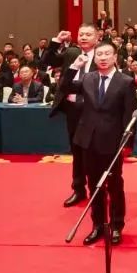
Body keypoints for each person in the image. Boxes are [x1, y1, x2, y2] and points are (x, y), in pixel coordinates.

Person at [59, 41, 137, 246]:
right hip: (88, 141)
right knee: (94, 185)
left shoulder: (126, 82)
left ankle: (116, 225)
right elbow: (65, 87)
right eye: (99, 54)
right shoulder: (88, 78)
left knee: (114, 185)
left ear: (115, 57)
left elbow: (130, 115)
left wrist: (128, 143)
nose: (102, 57)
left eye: (107, 54)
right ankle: (98, 225)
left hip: (112, 142)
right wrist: (73, 67)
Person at [42, 25, 100, 208]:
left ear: (97, 38)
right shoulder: (71, 53)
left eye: (88, 34)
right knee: (76, 150)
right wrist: (56, 41)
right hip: (72, 109)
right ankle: (78, 189)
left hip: (93, 110)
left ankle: (97, 189)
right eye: (81, 34)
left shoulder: (102, 55)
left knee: (93, 151)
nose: (84, 37)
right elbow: (46, 61)